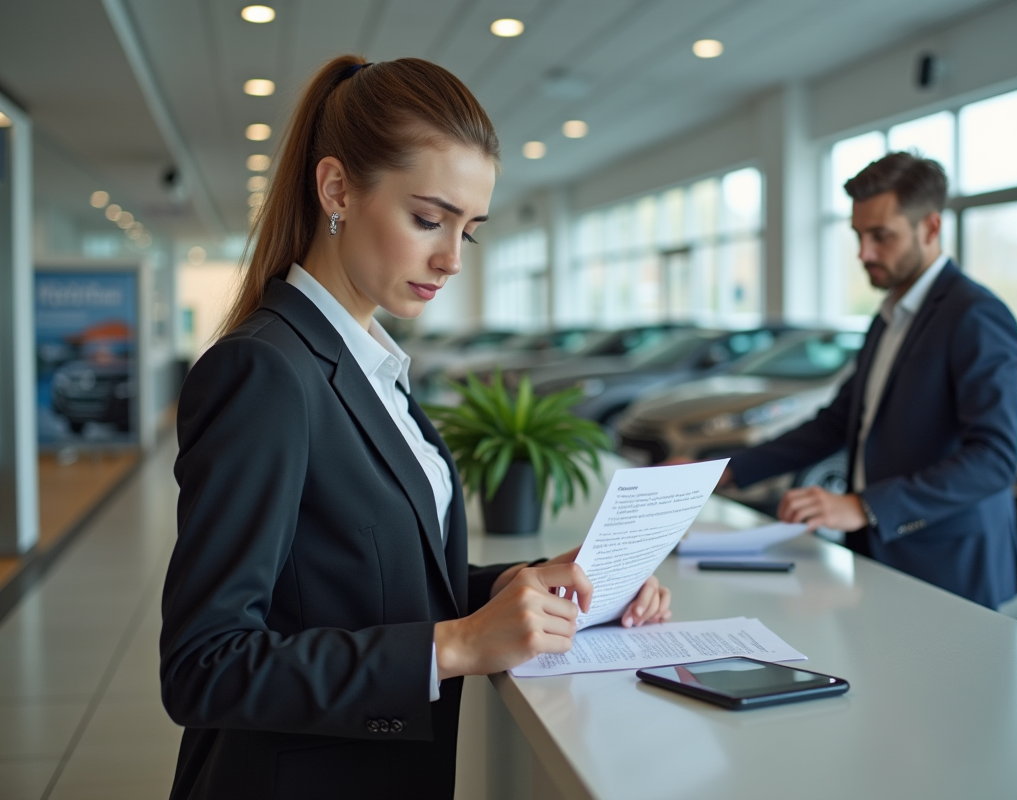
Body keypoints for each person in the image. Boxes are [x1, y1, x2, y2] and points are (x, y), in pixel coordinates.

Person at [159, 56, 671, 800]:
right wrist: (457, 644)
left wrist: (529, 587)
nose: (450, 258)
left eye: (470, 231)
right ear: (336, 188)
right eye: (428, 219)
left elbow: (381, 587)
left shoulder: (370, 367)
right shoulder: (266, 373)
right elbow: (205, 665)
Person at [722, 152, 1017, 609]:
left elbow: (994, 459)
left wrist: (863, 506)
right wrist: (727, 470)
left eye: (881, 236)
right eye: (859, 235)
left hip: (949, 565)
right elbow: (838, 423)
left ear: (930, 228)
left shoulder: (975, 315)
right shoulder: (888, 317)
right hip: (879, 553)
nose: (864, 253)